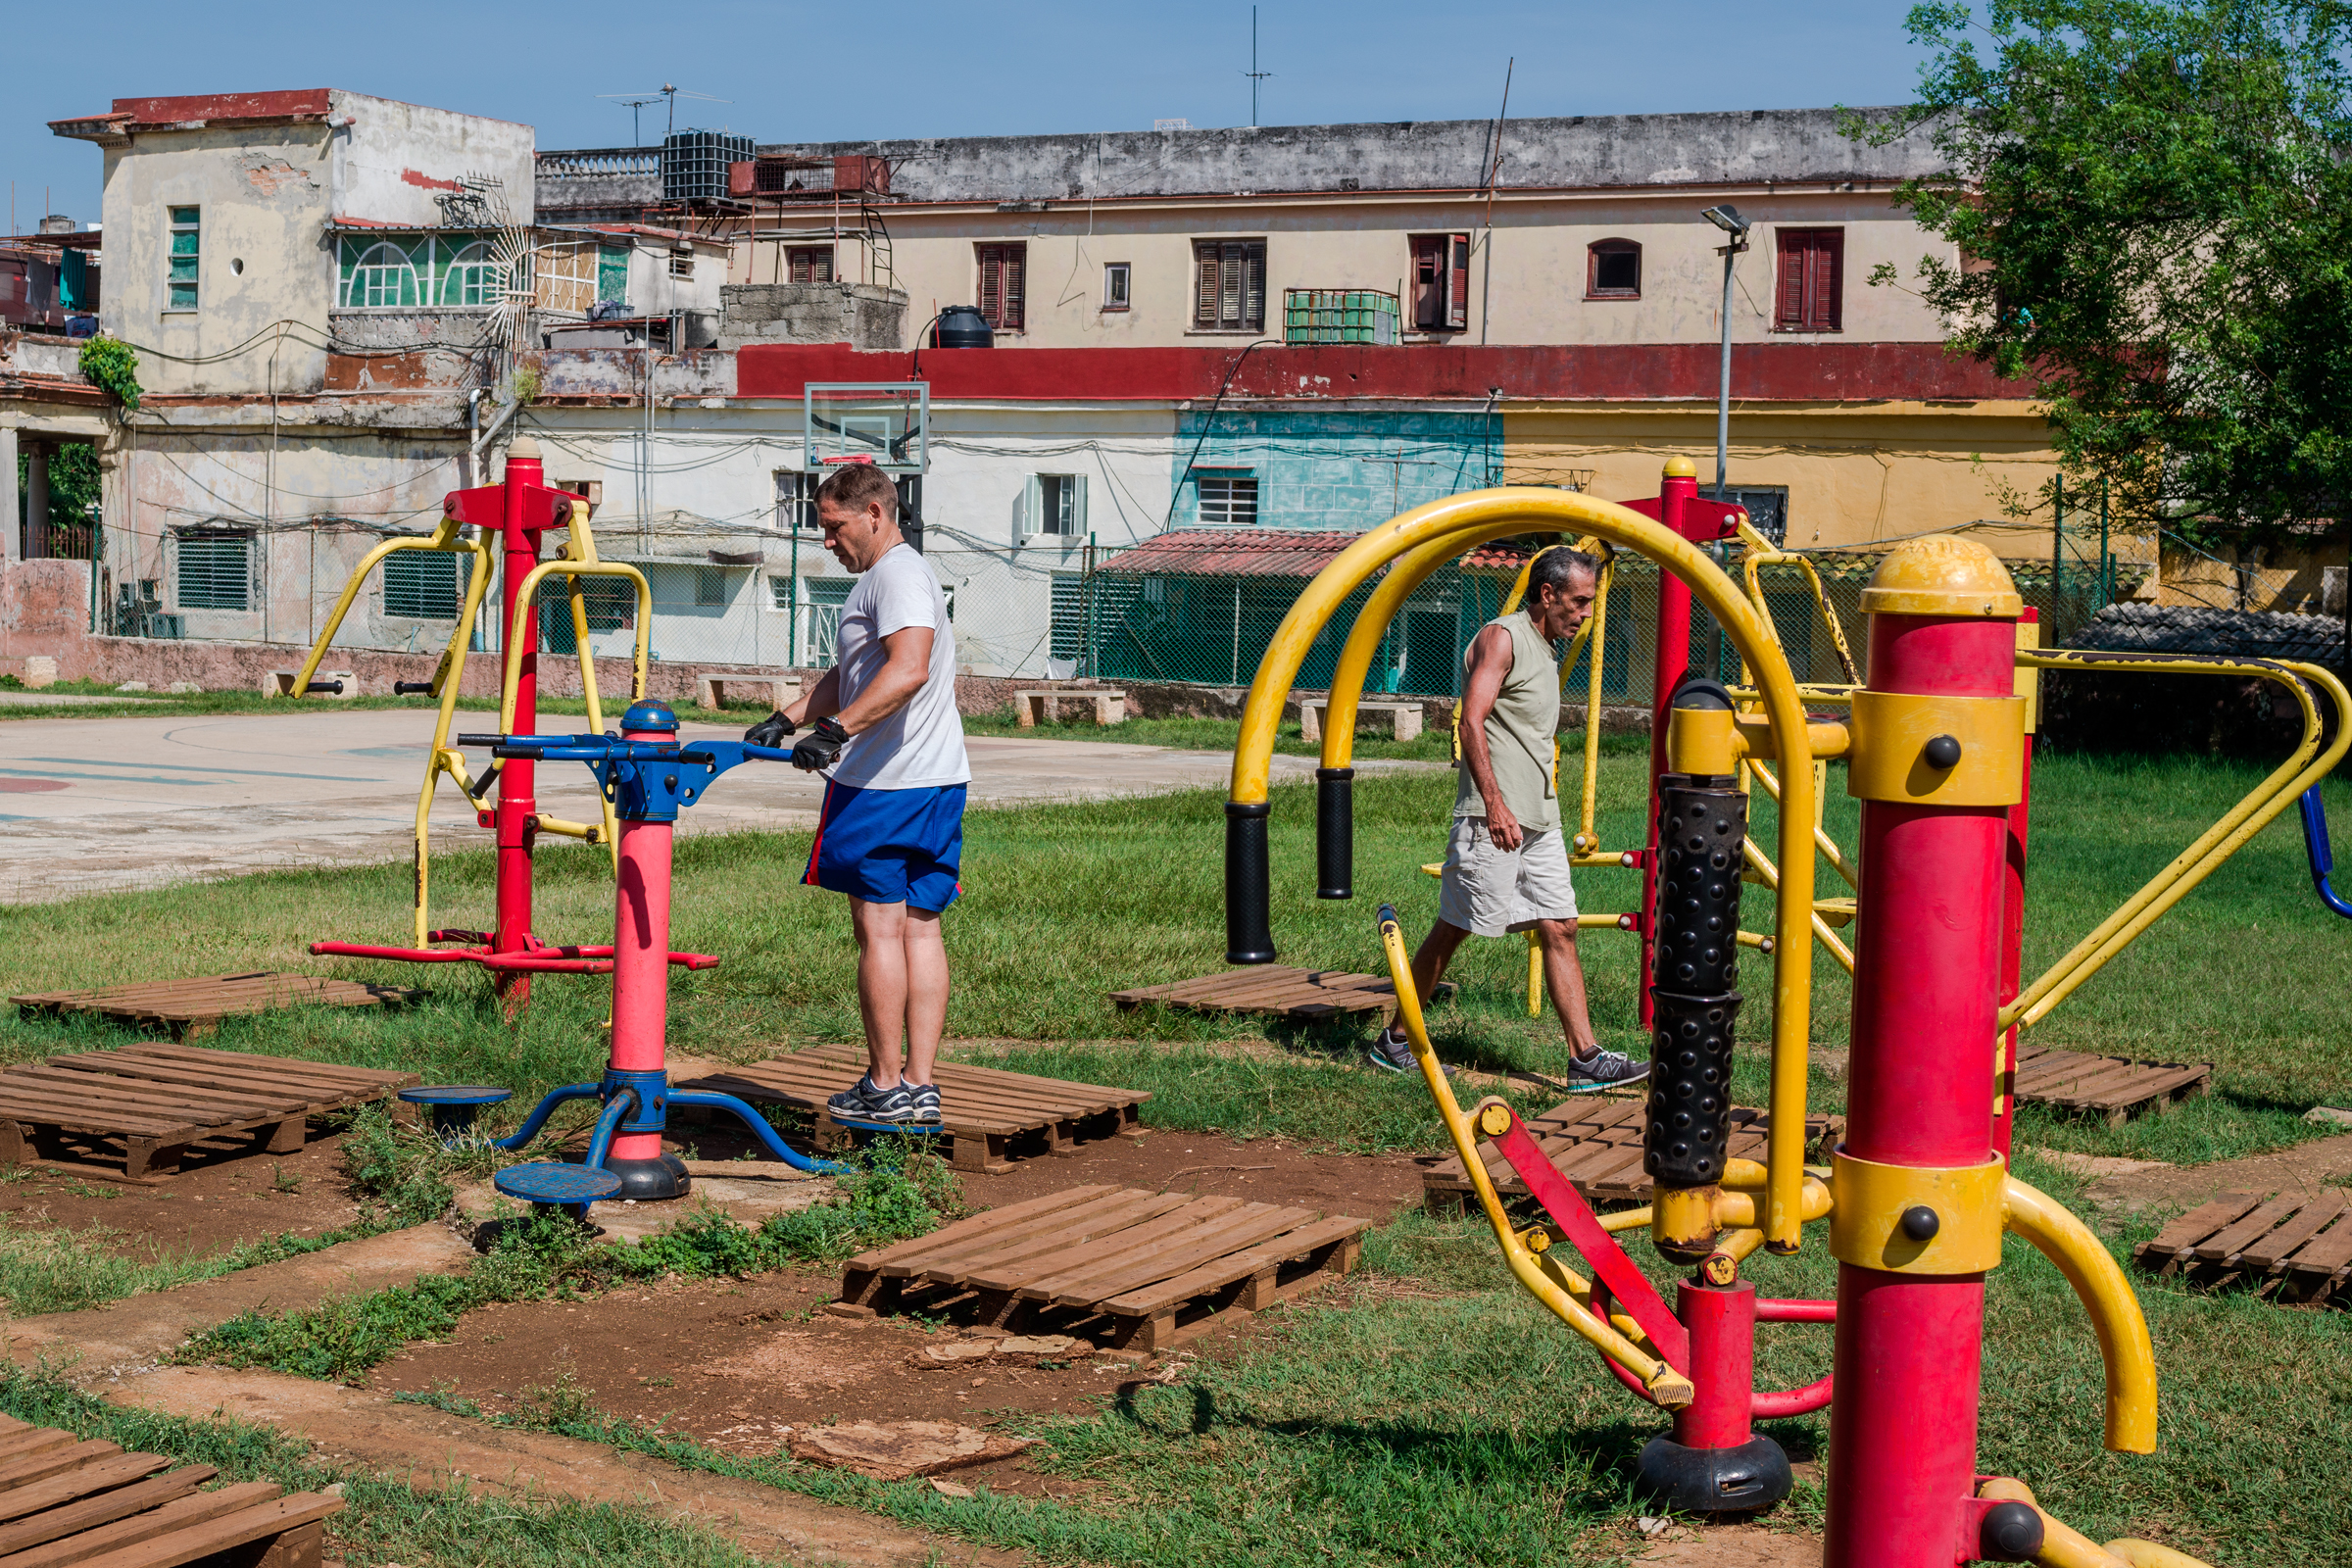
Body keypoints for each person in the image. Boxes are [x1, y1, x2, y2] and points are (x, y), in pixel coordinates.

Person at [1367, 547, 1649, 1091]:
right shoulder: (1504, 637)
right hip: (1492, 816)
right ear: (1548, 594)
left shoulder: (1545, 646)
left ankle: (1585, 1059)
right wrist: (1494, 803)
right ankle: (1395, 1041)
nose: (1587, 612)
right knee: (1456, 927)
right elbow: (1470, 721)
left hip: (1539, 817)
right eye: (1580, 601)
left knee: (1560, 926)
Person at [744, 462, 968, 1124]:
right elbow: (855, 672)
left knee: (881, 931)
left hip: (885, 786)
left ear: (874, 513)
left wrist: (834, 733)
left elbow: (908, 670)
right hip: (936, 779)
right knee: (921, 932)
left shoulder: (893, 576)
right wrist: (788, 719)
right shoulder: (903, 577)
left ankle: (885, 1084)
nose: (827, 539)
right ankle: (920, 1088)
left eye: (833, 525)